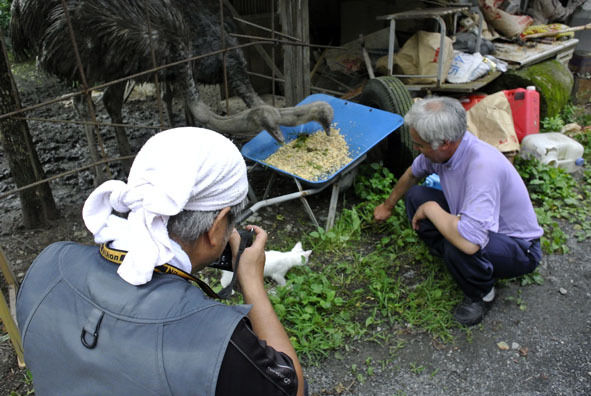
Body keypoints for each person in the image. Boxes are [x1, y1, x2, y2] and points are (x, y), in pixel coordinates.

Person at [16, 127, 305, 396]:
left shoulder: (48, 267)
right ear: (216, 228)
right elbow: (292, 389)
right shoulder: (217, 338)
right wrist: (252, 283)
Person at [374, 96, 543, 326]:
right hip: (470, 221)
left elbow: (469, 241)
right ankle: (451, 257)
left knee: (458, 244)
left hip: (519, 248)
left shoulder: (483, 166)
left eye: (420, 145)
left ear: (444, 142)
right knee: (416, 195)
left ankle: (482, 292)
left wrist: (432, 209)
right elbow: (412, 174)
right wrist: (387, 206)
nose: (416, 149)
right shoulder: (441, 153)